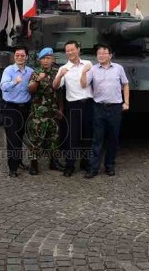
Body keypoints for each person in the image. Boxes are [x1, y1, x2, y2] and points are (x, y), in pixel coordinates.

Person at [81, 44, 130, 178]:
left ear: (110, 55)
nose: (101, 56)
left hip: (115, 107)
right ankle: (93, 168)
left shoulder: (118, 68)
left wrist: (126, 102)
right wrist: (84, 72)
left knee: (113, 138)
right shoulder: (93, 69)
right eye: (99, 53)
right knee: (97, 139)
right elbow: (84, 84)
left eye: (104, 53)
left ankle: (110, 165)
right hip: (99, 108)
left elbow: (125, 84)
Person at [53, 40, 94, 177]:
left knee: (87, 136)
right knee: (73, 137)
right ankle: (70, 165)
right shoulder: (64, 68)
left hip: (88, 103)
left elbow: (86, 84)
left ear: (78, 50)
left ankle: (86, 162)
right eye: (67, 50)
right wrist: (60, 75)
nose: (70, 52)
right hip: (73, 105)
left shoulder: (88, 64)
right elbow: (56, 86)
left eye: (72, 49)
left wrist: (83, 72)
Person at [26, 47, 65, 175]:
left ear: (52, 59)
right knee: (36, 139)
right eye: (44, 58)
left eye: (49, 58)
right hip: (39, 113)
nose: (46, 61)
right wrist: (38, 79)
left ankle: (53, 162)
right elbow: (30, 90)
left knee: (54, 138)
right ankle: (34, 163)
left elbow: (59, 92)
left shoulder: (56, 72)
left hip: (53, 112)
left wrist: (60, 109)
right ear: (40, 60)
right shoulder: (36, 72)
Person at [0, 45, 34, 177]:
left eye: (22, 55)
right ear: (14, 57)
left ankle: (19, 161)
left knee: (20, 136)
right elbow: (3, 86)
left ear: (27, 57)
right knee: (12, 139)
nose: (20, 57)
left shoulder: (30, 71)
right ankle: (12, 168)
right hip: (11, 108)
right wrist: (15, 82)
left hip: (25, 108)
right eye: (17, 55)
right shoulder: (9, 71)